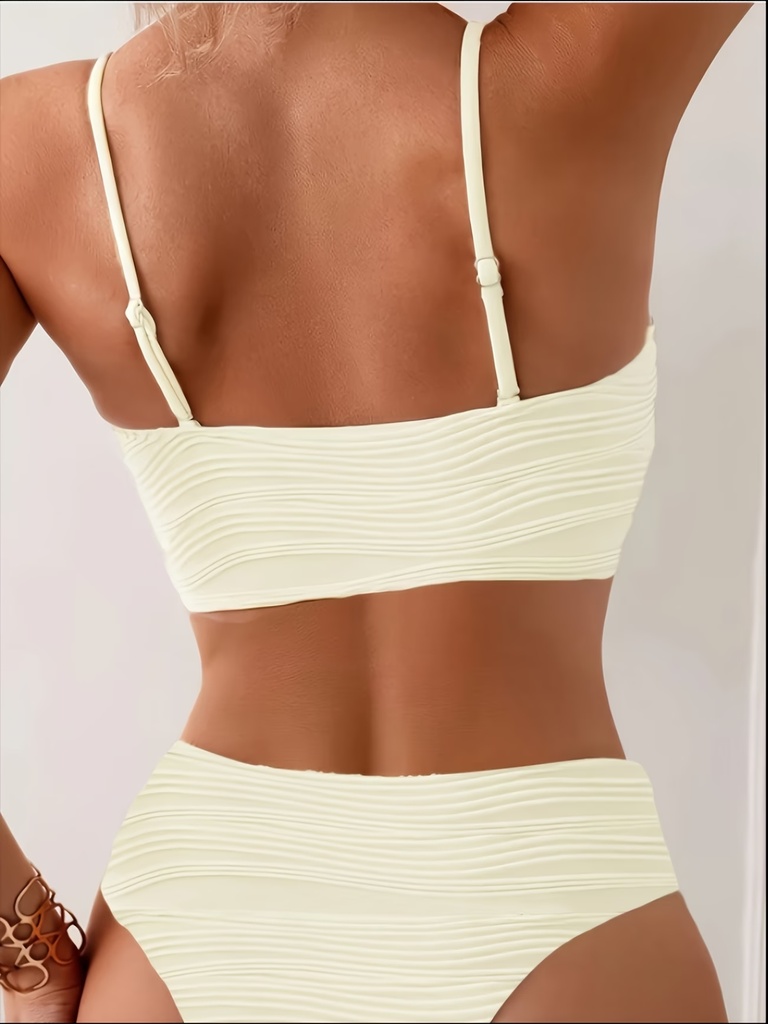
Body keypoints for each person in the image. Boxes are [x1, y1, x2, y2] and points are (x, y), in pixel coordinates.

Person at [0, 3, 756, 1022]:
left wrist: (30, 951)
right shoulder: (571, 76)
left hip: (199, 930)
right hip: (553, 902)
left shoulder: (35, 157)